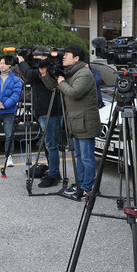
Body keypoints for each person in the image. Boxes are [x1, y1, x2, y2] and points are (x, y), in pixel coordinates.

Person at [43, 45, 100, 201]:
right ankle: (80, 184)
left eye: (67, 54)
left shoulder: (84, 74)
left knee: (87, 158)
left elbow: (74, 92)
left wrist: (61, 81)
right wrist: (44, 74)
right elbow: (55, 88)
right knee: (79, 157)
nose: (63, 57)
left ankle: (88, 187)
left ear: (76, 58)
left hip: (85, 122)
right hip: (75, 122)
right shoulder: (71, 73)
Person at [17, 47, 63, 187]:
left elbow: (29, 74)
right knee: (49, 144)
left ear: (44, 57)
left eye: (38, 57)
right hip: (43, 111)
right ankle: (53, 172)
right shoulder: (40, 67)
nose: (36, 59)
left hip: (51, 111)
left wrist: (21, 61)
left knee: (51, 145)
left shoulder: (48, 67)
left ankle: (54, 175)